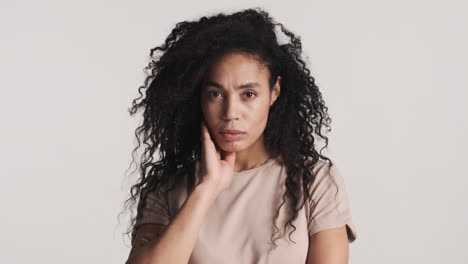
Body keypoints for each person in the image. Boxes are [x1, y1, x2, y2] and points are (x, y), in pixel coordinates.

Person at [123, 7, 357, 264]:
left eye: (248, 94)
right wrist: (207, 189)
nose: (230, 112)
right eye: (216, 94)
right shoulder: (168, 189)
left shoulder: (315, 182)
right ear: (198, 97)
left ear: (274, 92)